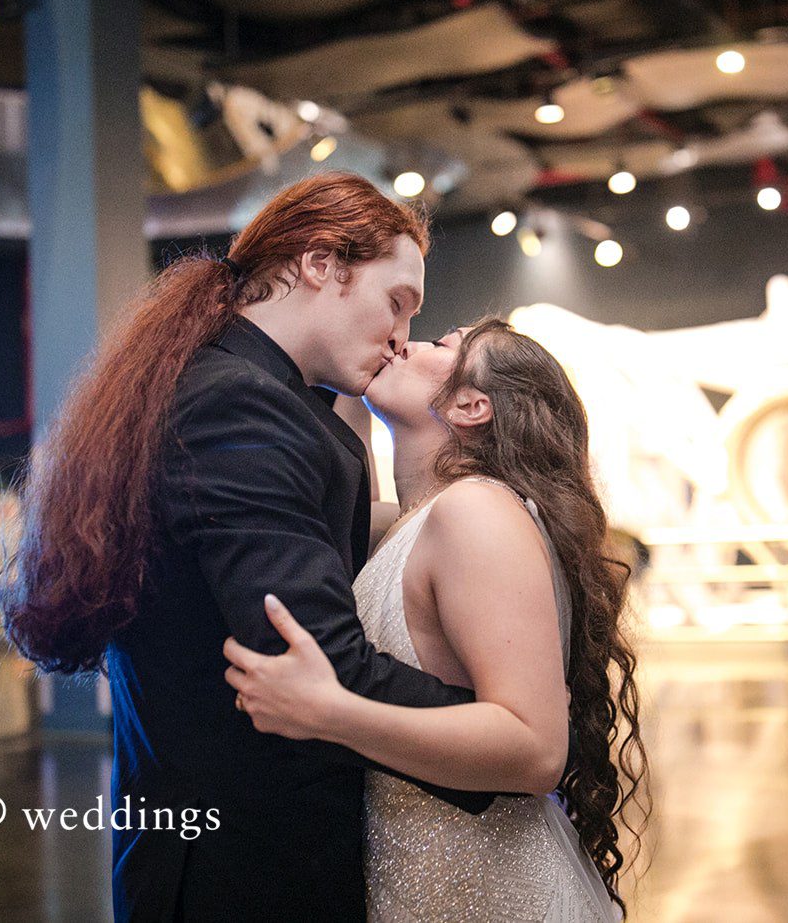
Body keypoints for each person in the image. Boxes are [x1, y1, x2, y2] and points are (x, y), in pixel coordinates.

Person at [0, 173, 494, 921]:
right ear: (322, 264)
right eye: (397, 301)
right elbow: (315, 661)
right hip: (245, 866)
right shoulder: (240, 402)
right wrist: (508, 733)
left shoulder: (255, 393)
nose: (401, 335)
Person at [224, 318, 650, 920]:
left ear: (472, 404)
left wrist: (331, 712)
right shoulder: (408, 522)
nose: (406, 340)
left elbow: (535, 750)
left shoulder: (475, 514)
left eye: (441, 343)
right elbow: (338, 474)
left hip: (487, 892)